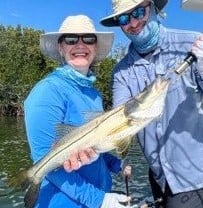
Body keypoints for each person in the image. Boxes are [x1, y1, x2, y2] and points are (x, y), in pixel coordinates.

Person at [65, 1, 203, 208]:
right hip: (158, 178)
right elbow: (119, 122)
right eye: (123, 18)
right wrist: (88, 148)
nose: (133, 22)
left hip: (195, 177)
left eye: (139, 11)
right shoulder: (121, 72)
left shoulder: (192, 44)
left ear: (154, 9)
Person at [24, 14, 131, 208]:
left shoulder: (93, 94)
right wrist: (99, 200)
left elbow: (94, 144)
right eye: (71, 39)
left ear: (95, 47)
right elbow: (45, 160)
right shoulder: (47, 91)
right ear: (60, 47)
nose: (80, 45)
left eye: (88, 39)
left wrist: (117, 165)